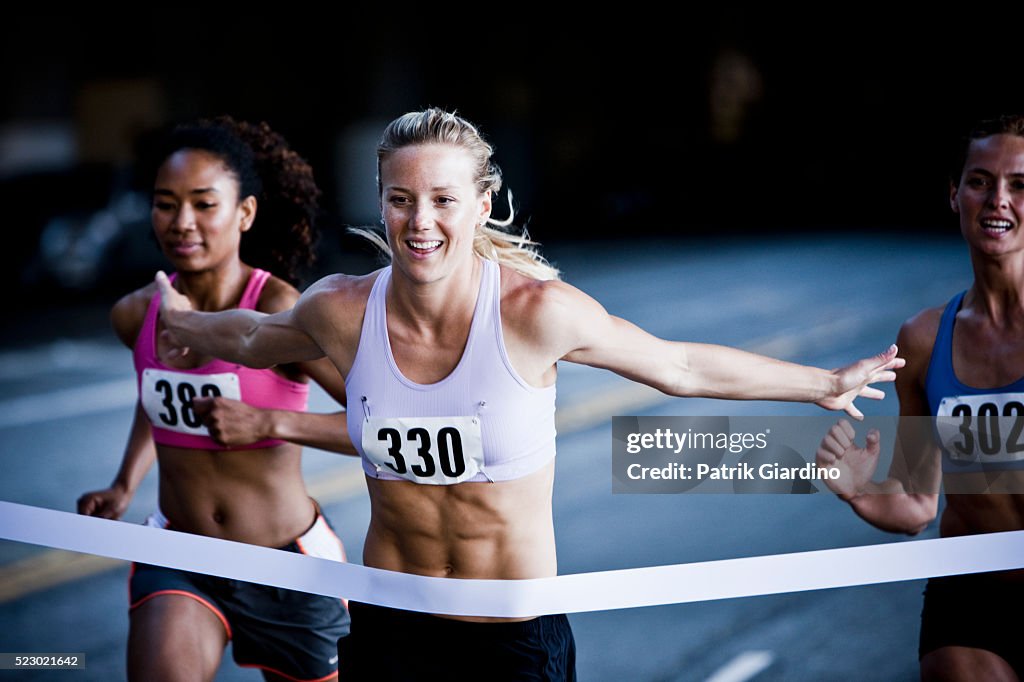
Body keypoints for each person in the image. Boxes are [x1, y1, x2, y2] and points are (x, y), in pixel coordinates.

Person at [155, 108, 904, 681]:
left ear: (482, 205)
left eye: (443, 200)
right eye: (401, 199)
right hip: (393, 624)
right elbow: (256, 338)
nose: (421, 222)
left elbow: (677, 366)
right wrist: (192, 327)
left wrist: (825, 385)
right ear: (380, 204)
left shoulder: (535, 314)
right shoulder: (341, 310)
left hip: (510, 633)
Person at [77, 117, 354, 682]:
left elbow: (378, 425)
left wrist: (267, 421)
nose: (182, 223)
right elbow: (153, 398)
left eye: (204, 204)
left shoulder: (282, 310)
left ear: (244, 213)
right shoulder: (136, 315)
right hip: (182, 556)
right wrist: (124, 483)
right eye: (165, 204)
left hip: (287, 565)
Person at [816, 114, 1024, 680]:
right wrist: (861, 493)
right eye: (980, 181)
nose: (998, 199)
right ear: (955, 195)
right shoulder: (926, 339)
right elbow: (918, 502)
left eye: (1019, 185)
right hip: (972, 601)